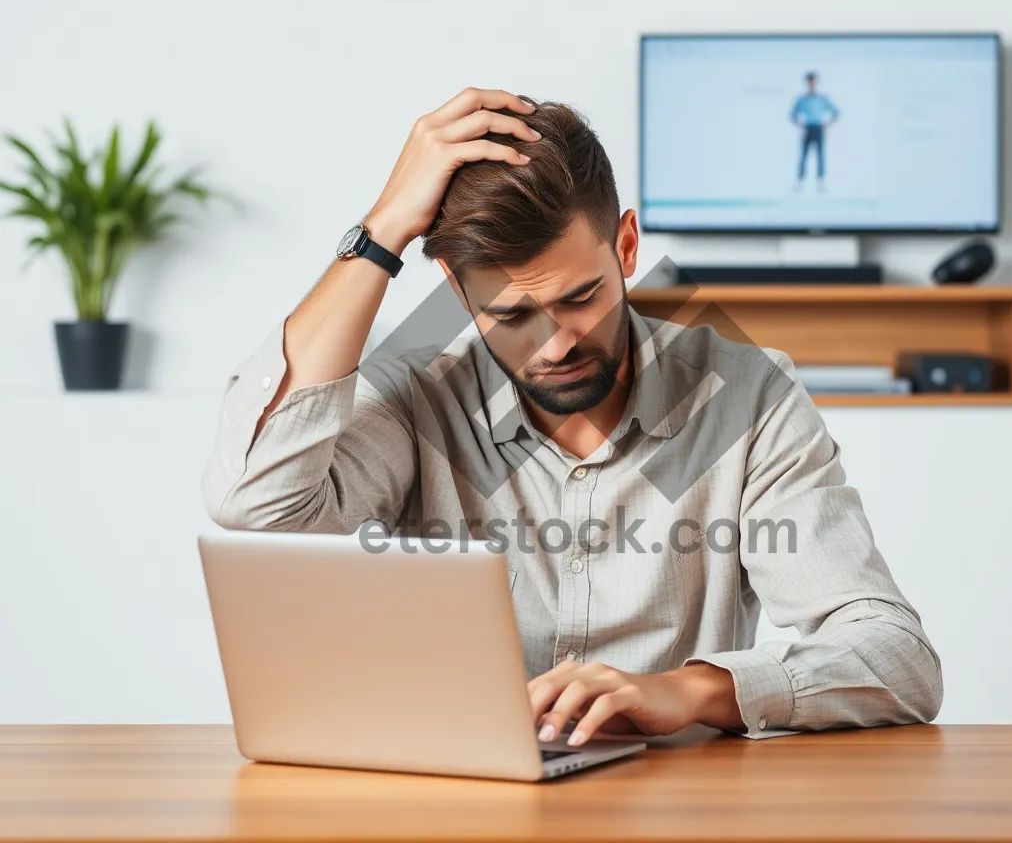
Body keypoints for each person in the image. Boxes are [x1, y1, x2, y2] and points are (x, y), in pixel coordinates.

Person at [201, 88, 941, 747]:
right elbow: (256, 508)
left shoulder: (748, 394)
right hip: (461, 807)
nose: (556, 344)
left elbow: (895, 657)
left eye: (581, 297)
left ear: (625, 246)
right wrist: (382, 232)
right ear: (458, 291)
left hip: (680, 811)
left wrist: (682, 693)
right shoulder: (416, 394)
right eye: (513, 313)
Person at [790, 72, 839, 191]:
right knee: (804, 156)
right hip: (808, 128)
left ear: (816, 82)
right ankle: (800, 182)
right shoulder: (802, 99)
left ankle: (820, 182)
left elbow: (835, 112)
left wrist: (827, 124)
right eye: (809, 81)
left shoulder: (822, 99)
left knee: (820, 155)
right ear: (807, 83)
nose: (811, 83)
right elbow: (793, 114)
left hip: (818, 128)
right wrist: (799, 124)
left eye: (813, 81)